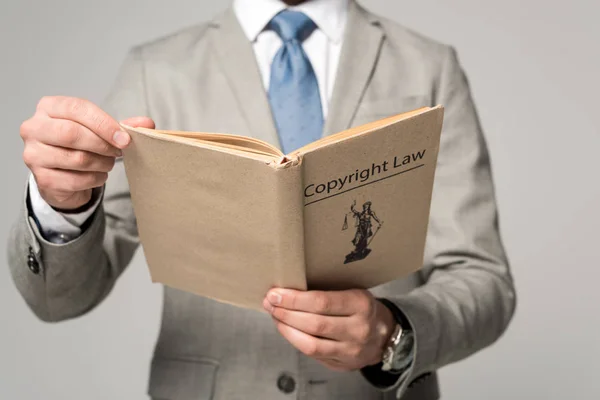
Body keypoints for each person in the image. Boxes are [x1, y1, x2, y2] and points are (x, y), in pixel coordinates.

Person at [8, 0, 516, 399]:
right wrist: (63, 204)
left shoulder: (429, 65)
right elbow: (61, 298)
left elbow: (484, 278)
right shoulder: (156, 69)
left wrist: (393, 333)